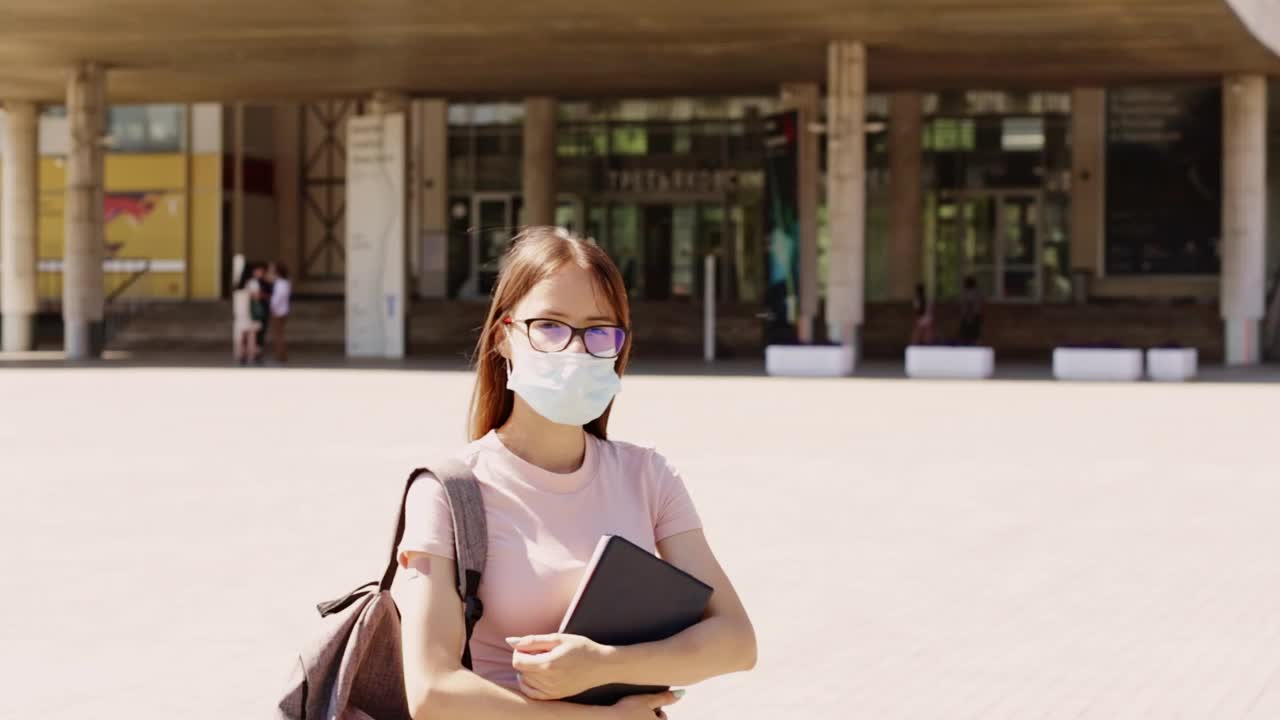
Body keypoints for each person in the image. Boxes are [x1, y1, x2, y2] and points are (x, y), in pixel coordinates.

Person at [391, 227, 757, 720]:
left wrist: (604, 664)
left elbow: (736, 640)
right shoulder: (448, 492)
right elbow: (432, 691)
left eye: (599, 330)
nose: (576, 350)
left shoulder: (647, 474)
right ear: (503, 337)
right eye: (550, 326)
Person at [231, 265, 261, 365]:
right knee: (252, 335)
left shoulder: (238, 284)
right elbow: (256, 297)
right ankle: (251, 355)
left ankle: (241, 354)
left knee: (242, 334)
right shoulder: (253, 283)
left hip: (240, 312)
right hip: (250, 312)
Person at [267, 262, 291, 363]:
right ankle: (281, 355)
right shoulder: (284, 282)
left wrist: (272, 307)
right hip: (282, 310)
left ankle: (280, 356)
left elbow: (277, 298)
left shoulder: (280, 283)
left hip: (278, 312)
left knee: (278, 335)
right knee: (279, 334)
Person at [246, 263, 269, 363]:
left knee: (261, 332)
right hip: (253, 311)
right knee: (254, 332)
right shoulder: (251, 283)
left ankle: (258, 353)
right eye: (257, 271)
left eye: (261, 271)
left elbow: (267, 296)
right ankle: (253, 353)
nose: (259, 273)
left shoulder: (265, 283)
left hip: (263, 310)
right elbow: (252, 296)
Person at [958, 275, 984, 345]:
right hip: (974, 315)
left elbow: (970, 304)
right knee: (973, 334)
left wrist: (969, 316)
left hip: (971, 316)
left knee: (970, 334)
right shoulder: (977, 292)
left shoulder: (970, 292)